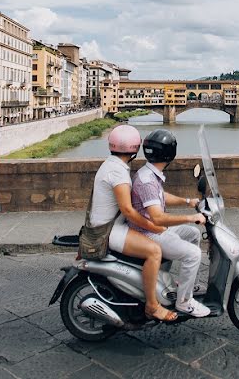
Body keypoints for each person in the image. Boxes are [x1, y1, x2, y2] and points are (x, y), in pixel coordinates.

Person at [88, 125, 178, 322]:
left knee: (159, 239)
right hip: (109, 230)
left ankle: (157, 285)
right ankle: (152, 305)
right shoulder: (118, 172)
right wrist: (152, 225)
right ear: (135, 149)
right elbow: (128, 210)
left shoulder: (112, 165)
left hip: (107, 225)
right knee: (154, 250)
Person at [131, 129, 210, 318]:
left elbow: (160, 197)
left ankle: (190, 284)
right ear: (170, 153)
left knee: (193, 234)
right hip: (150, 233)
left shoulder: (149, 173)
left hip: (153, 228)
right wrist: (190, 217)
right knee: (193, 254)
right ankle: (184, 302)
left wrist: (187, 201)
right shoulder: (147, 180)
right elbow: (157, 217)